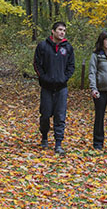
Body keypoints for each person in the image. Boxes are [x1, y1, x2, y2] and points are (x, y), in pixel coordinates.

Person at [33, 21, 75, 154]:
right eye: (60, 30)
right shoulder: (43, 46)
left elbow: (71, 66)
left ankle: (58, 143)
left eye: (64, 30)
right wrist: (43, 77)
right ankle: (44, 137)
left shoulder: (68, 48)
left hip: (61, 87)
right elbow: (36, 63)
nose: (62, 32)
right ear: (53, 31)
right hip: (46, 87)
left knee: (60, 115)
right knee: (45, 115)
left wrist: (64, 78)